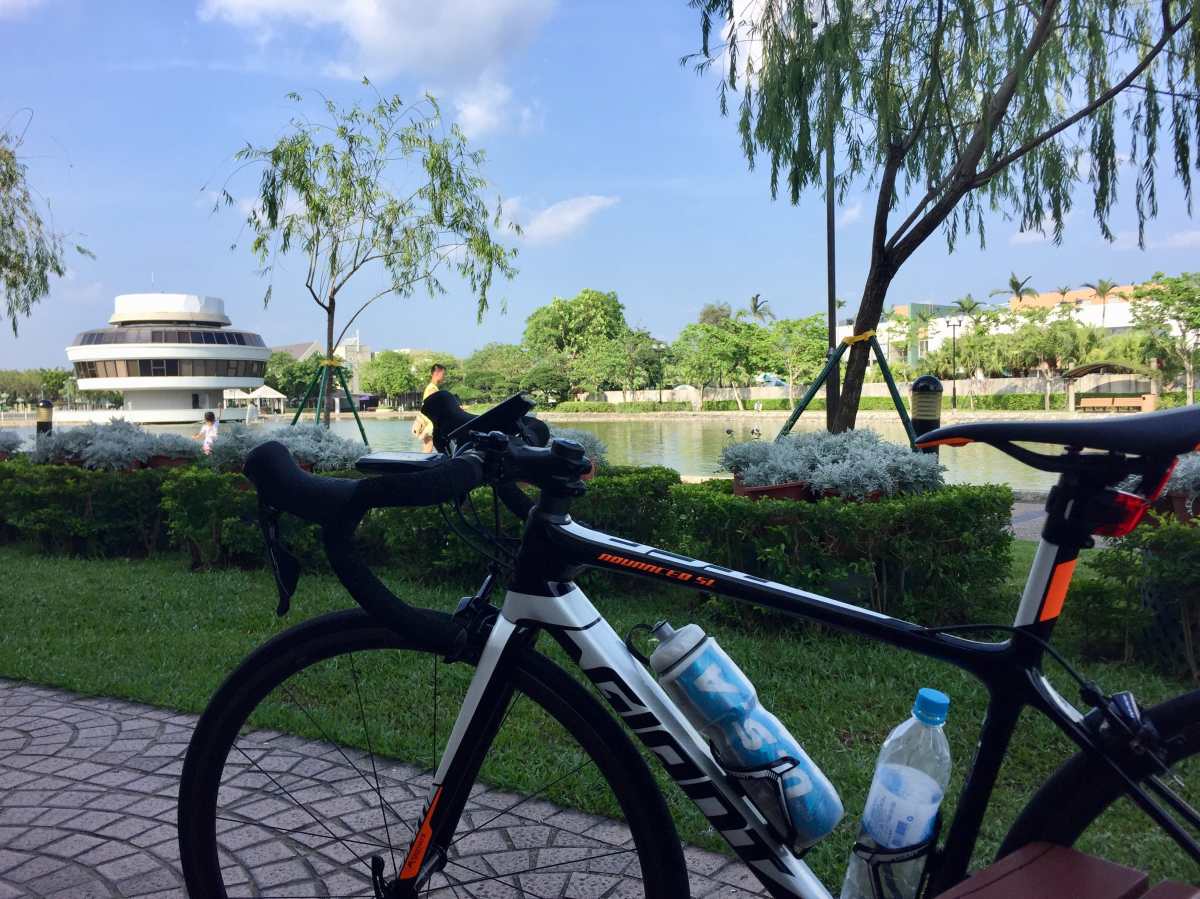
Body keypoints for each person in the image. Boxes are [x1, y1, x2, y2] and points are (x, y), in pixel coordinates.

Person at [411, 363, 446, 452]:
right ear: (437, 373)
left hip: (429, 422)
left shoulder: (432, 387)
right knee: (428, 446)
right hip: (430, 423)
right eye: (443, 374)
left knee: (427, 447)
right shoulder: (432, 389)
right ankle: (422, 465)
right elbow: (432, 407)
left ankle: (422, 463)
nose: (444, 377)